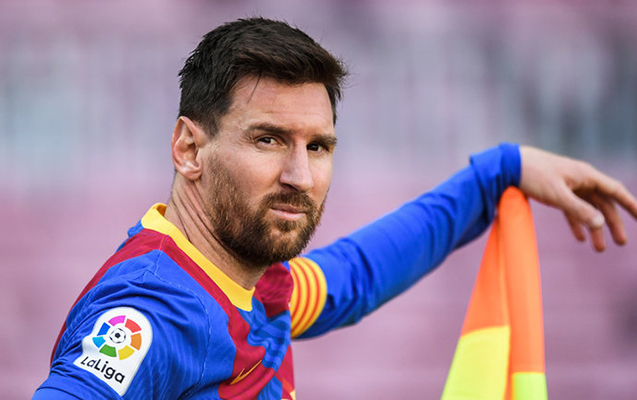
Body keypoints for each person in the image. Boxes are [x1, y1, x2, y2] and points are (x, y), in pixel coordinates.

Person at [34, 17, 637, 400]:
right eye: (268, 140)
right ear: (190, 149)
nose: (300, 176)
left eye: (318, 147)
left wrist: (499, 173)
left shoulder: (250, 281)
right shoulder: (150, 311)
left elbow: (354, 277)